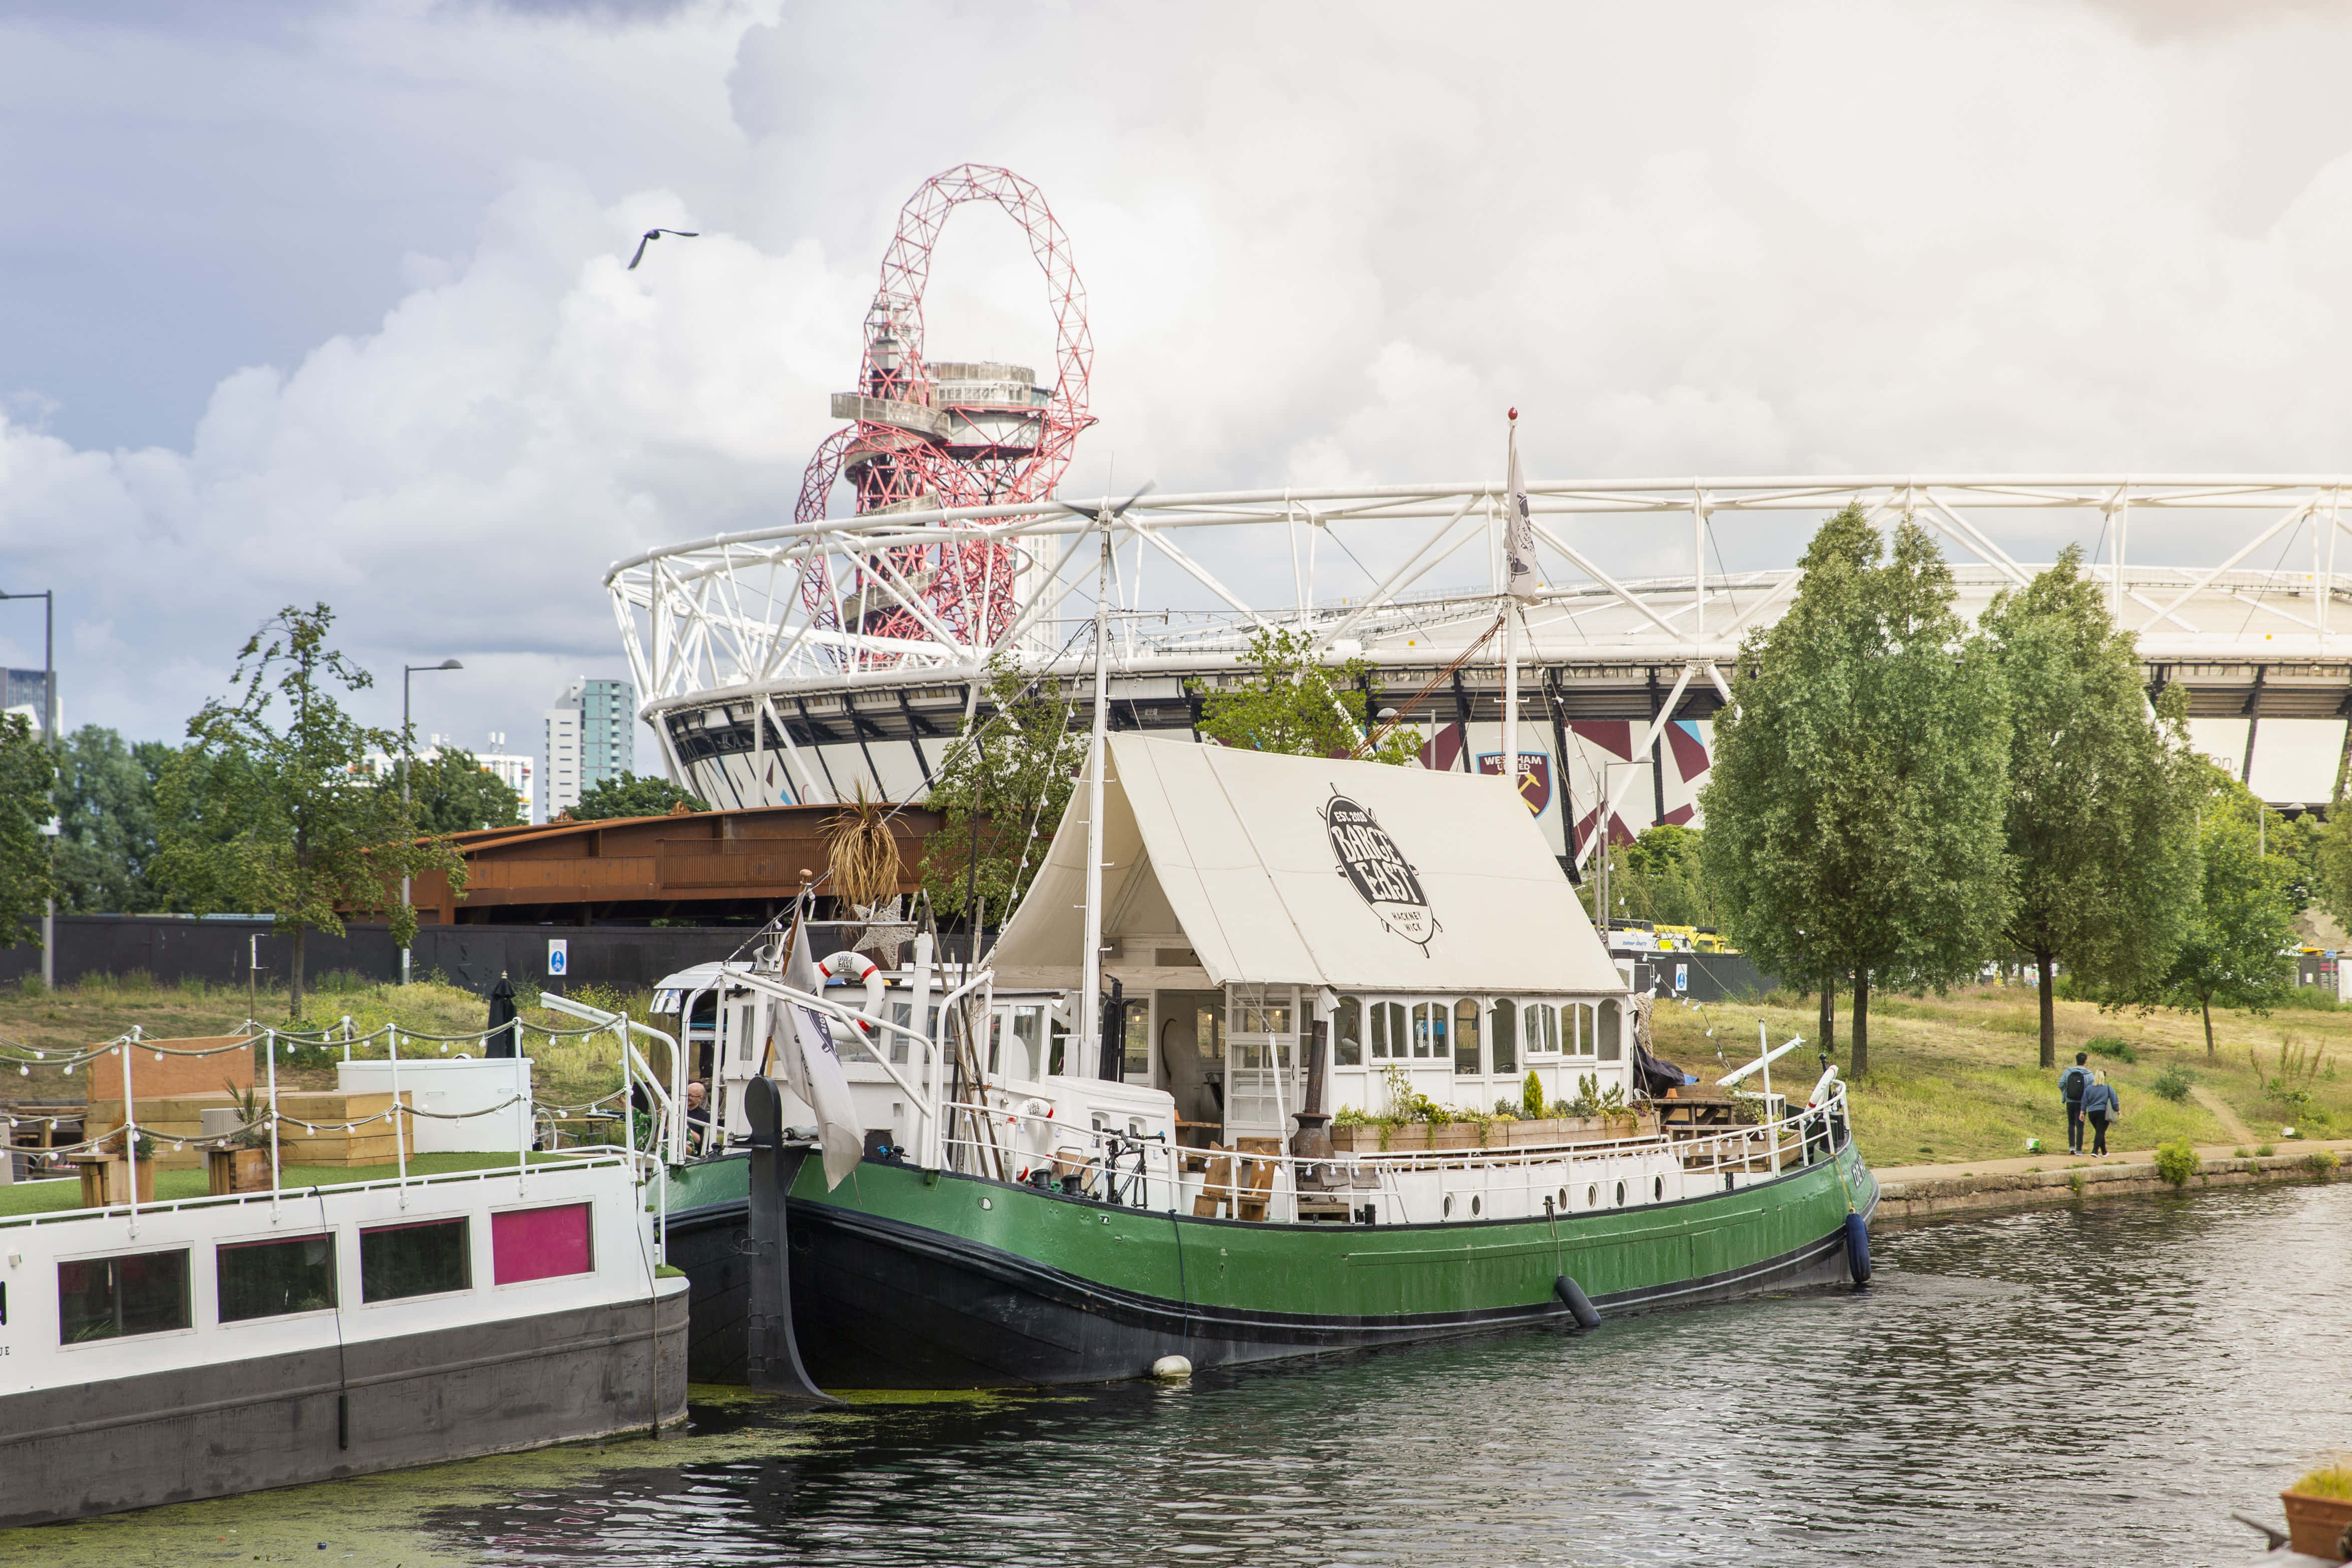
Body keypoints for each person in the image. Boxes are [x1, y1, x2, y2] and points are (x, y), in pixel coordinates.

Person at [2058, 1051, 2094, 1155]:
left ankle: (2071, 1147)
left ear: (2076, 1060)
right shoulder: (2089, 1074)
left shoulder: (2068, 1071)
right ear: (2086, 1061)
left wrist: (2065, 1094)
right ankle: (2079, 1150)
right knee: (2080, 1125)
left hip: (2070, 1101)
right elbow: (2092, 1088)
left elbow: (2061, 1084)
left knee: (2071, 1124)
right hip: (2082, 1103)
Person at [2080, 1069, 2121, 1156]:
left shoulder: (2088, 1089)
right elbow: (2114, 1101)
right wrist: (2118, 1111)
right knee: (2100, 1132)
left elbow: (2084, 1101)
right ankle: (2095, 1151)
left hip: (2092, 1113)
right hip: (2103, 1112)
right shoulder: (2108, 1088)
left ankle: (2104, 1151)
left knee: (2100, 1131)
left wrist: (2082, 1113)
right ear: (2104, 1077)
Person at [685, 1079, 711, 1153]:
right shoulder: (677, 1111)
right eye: (687, 1094)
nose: (688, 1098)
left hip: (693, 1151)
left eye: (691, 1096)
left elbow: (706, 1142)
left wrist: (686, 1129)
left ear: (700, 1098)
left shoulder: (705, 1116)